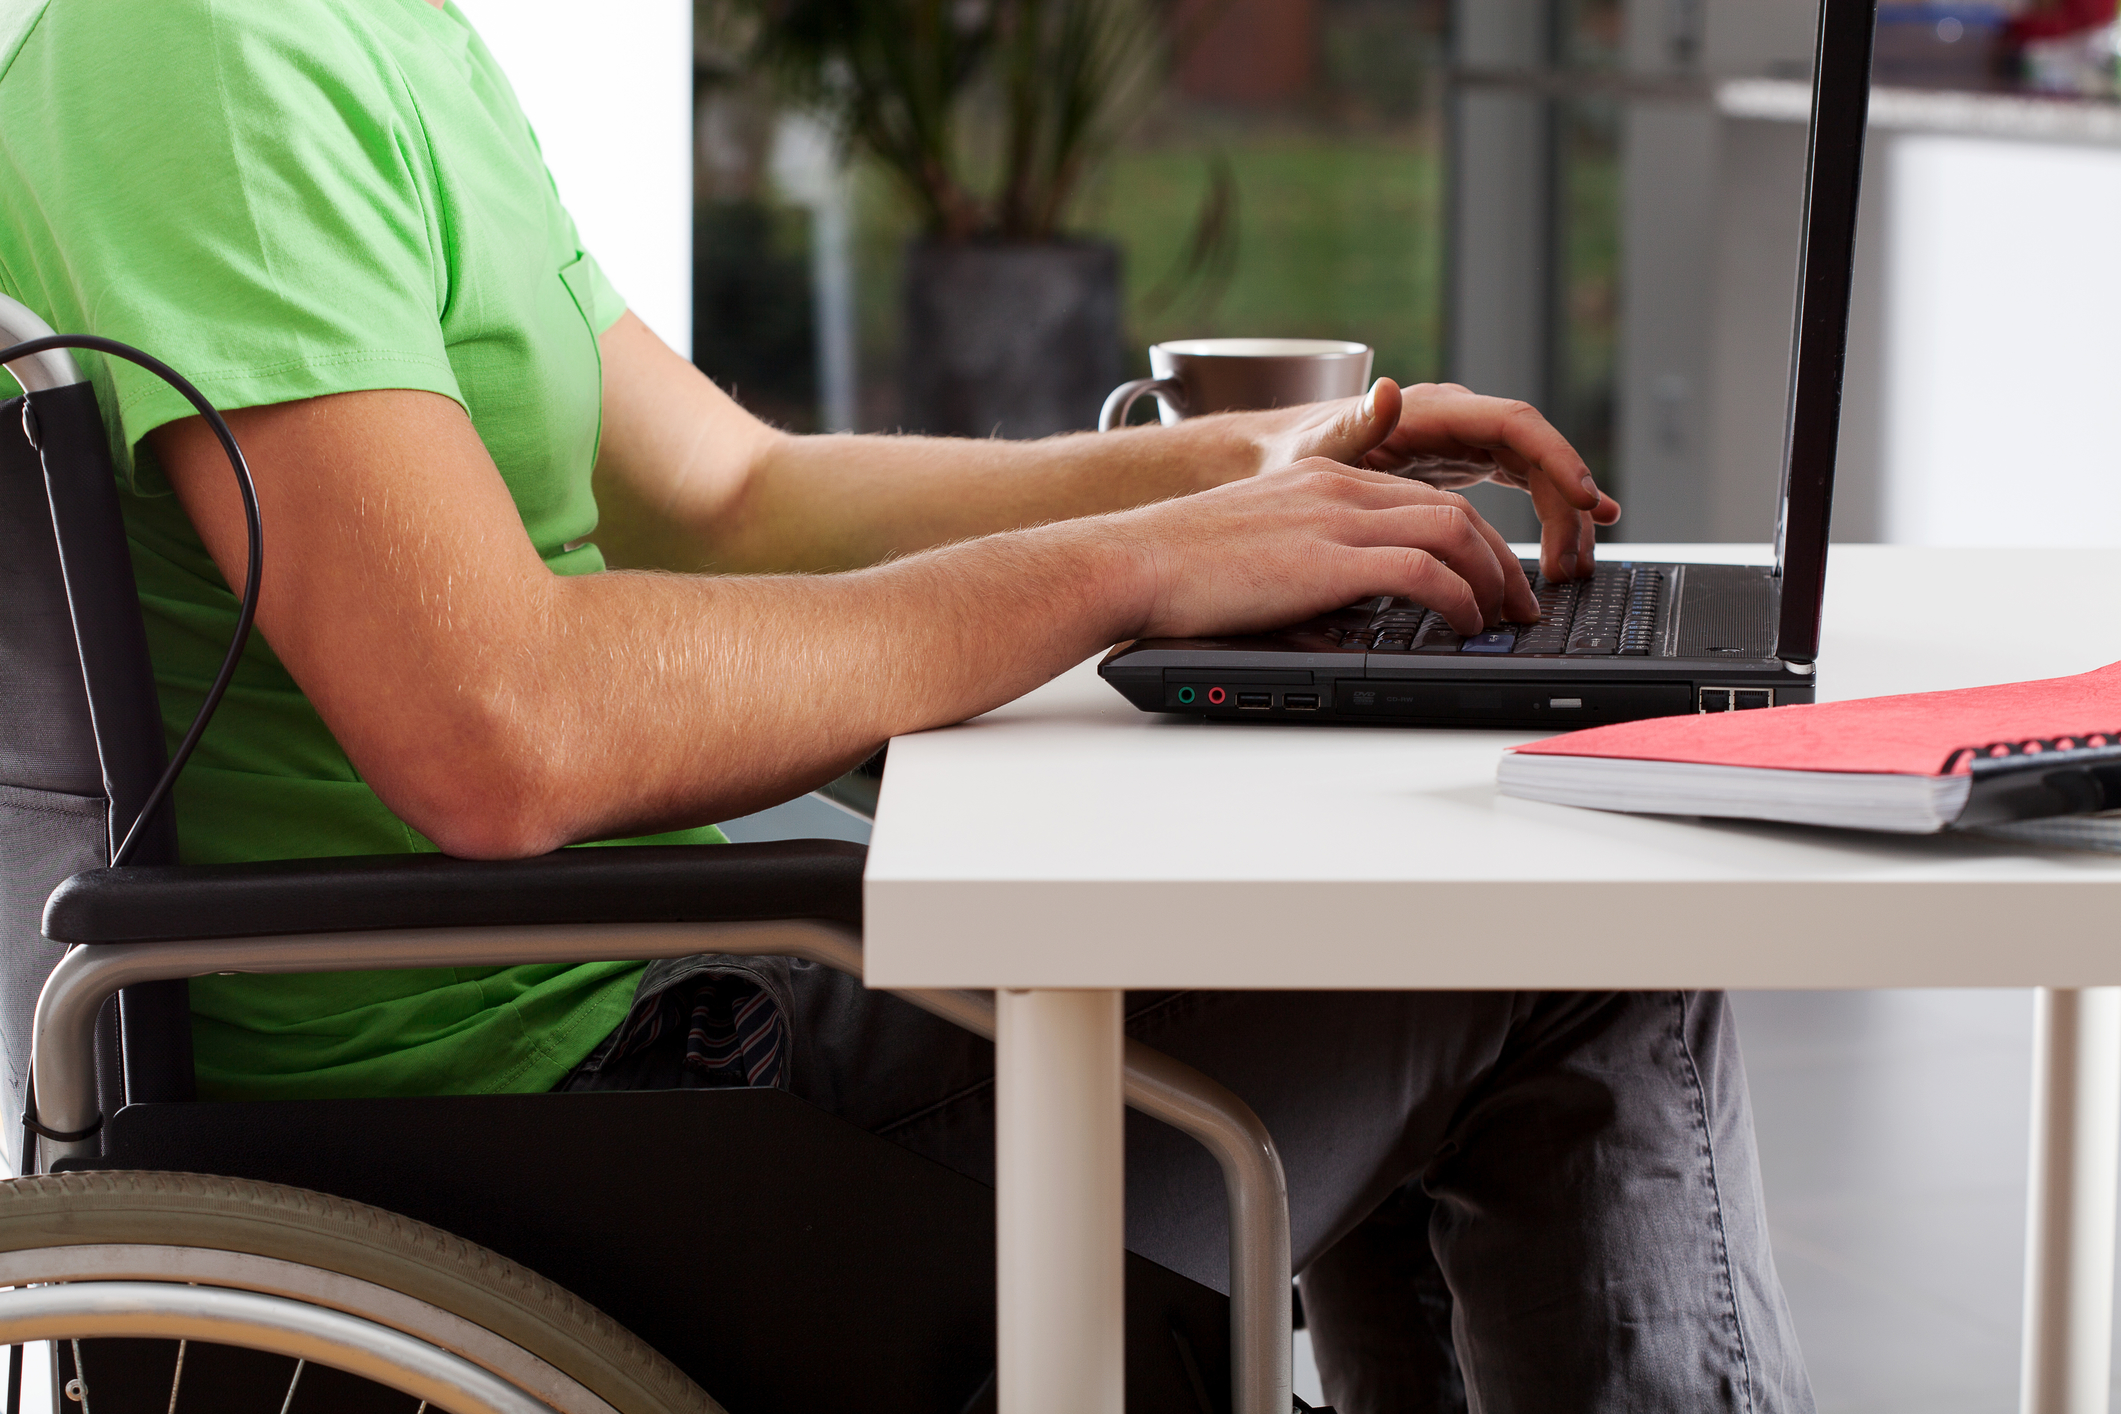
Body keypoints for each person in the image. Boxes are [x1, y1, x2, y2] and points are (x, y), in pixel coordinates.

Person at [0, 0, 1812, 1408]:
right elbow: (497, 731)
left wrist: (1248, 470)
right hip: (549, 1125)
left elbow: (729, 495)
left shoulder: (369, 41)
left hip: (623, 1038)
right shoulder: (215, 56)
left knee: (1478, 924)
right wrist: (1132, 573)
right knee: (1561, 939)